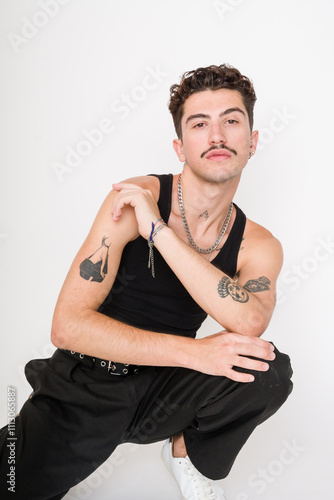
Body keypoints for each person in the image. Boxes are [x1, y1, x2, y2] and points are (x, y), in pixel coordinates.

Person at [0, 64, 293, 500]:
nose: (217, 135)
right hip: (87, 386)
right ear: (180, 145)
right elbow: (67, 325)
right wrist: (195, 352)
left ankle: (186, 455)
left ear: (251, 141)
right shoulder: (133, 197)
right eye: (200, 123)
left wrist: (159, 233)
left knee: (267, 367)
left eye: (231, 120)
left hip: (163, 391)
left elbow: (249, 322)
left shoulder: (258, 243)